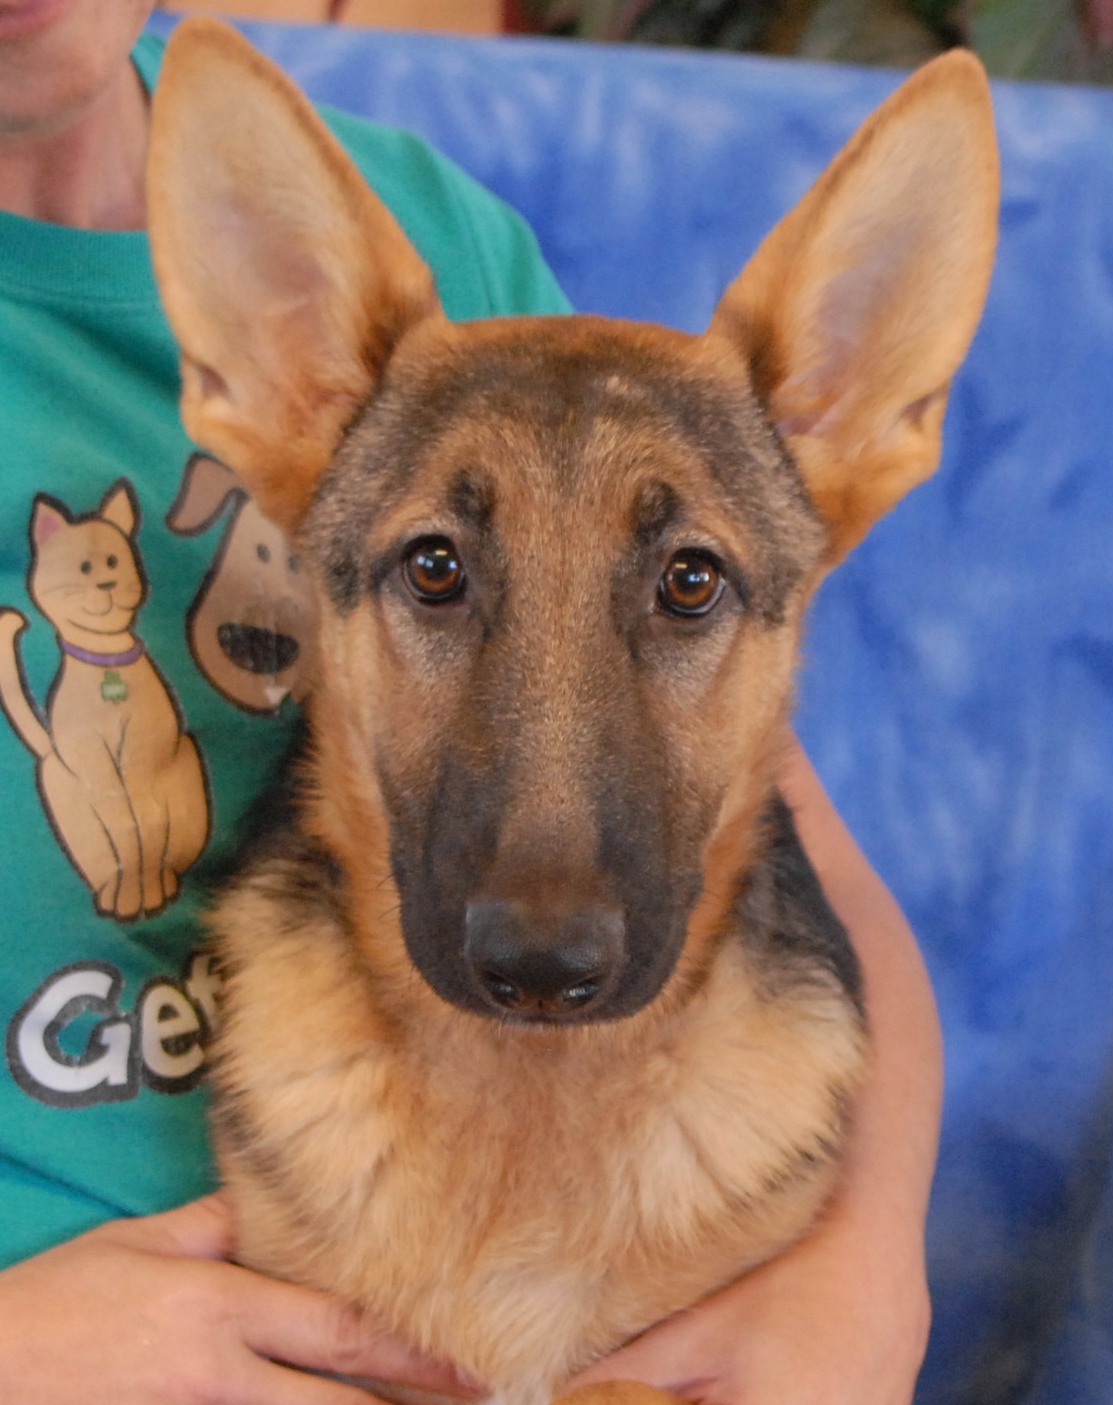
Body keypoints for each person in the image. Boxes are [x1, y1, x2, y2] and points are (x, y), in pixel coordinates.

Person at [0, 3, 939, 1402]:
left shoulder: (425, 245)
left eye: (683, 587)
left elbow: (799, 850)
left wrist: (867, 1265)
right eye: (435, 569)